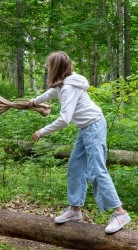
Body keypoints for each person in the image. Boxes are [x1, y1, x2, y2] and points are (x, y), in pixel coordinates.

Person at [28, 51, 131, 233]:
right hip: (86, 128)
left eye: (49, 65)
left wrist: (42, 131)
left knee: (97, 169)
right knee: (75, 166)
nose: (47, 68)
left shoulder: (69, 87)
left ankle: (120, 212)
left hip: (94, 126)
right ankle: (75, 210)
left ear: (56, 68)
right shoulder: (64, 83)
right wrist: (35, 101)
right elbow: (52, 92)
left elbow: (65, 119)